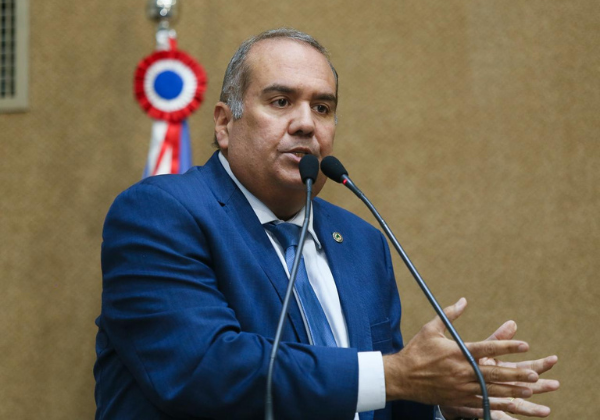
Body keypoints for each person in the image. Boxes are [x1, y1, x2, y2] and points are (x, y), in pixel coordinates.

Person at [94, 28, 559, 420]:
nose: (306, 124)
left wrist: (441, 400)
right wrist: (399, 376)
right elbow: (206, 371)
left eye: (322, 108)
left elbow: (377, 396)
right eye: (281, 101)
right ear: (223, 123)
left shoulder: (360, 242)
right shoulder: (160, 213)